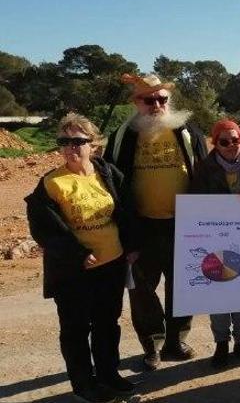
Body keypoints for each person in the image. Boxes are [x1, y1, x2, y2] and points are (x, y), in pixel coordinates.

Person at [25, 113, 135, 403]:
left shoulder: (108, 173)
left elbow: (126, 212)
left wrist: (132, 246)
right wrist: (77, 254)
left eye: (78, 141)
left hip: (112, 263)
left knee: (107, 323)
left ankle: (109, 374)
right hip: (74, 271)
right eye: (65, 141)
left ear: (94, 145)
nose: (71, 147)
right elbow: (44, 229)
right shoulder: (52, 183)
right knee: (75, 329)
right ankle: (84, 385)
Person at [103, 74, 208, 370]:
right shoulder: (124, 135)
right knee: (142, 289)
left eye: (162, 99)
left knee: (184, 284)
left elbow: (205, 174)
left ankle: (177, 339)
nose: (157, 105)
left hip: (184, 226)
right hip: (141, 227)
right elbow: (111, 184)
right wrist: (125, 233)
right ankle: (152, 344)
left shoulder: (187, 132)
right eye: (149, 100)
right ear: (136, 103)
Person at [190, 119, 240, 369]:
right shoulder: (203, 167)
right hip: (215, 238)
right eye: (224, 141)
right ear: (215, 143)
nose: (231, 145)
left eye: (236, 139)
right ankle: (221, 343)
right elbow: (197, 200)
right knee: (220, 289)